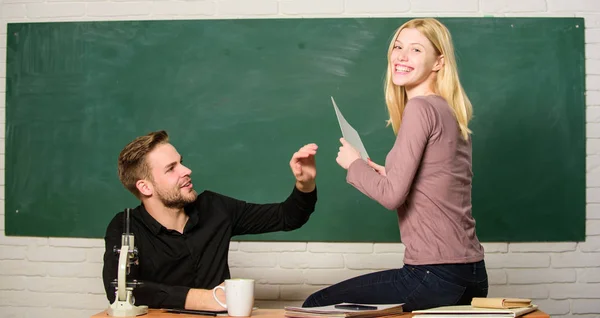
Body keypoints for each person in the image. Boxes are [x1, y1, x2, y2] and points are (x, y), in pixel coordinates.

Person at [303, 18, 487, 311]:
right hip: (471, 273)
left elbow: (392, 196)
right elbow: (439, 181)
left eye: (415, 50)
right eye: (398, 47)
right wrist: (387, 173)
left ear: (439, 62)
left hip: (434, 274)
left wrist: (354, 164)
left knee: (316, 305)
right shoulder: (447, 109)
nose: (401, 56)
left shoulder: (420, 107)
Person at [103, 130, 318, 310]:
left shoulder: (215, 208)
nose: (187, 171)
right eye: (171, 168)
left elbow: (288, 217)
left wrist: (305, 184)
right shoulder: (126, 225)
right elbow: (119, 290)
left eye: (181, 163)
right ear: (145, 187)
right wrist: (206, 299)